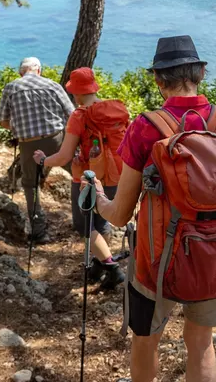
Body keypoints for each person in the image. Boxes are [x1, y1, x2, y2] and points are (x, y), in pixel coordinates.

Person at [81, 35, 216, 382]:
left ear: (158, 79)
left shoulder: (146, 127)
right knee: (200, 341)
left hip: (156, 262)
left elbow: (119, 215)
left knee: (146, 340)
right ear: (201, 73)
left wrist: (97, 196)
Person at [33, 67, 129, 289]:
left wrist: (42, 160)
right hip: (115, 175)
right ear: (93, 88)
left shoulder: (79, 116)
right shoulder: (113, 111)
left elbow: (64, 156)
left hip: (87, 179)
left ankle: (112, 268)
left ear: (75, 93)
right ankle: (98, 264)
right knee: (101, 220)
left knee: (83, 225)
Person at [0, 57, 74, 244]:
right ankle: (92, 216)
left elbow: (3, 121)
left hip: (28, 145)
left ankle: (40, 232)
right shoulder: (53, 85)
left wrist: (18, 128)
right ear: (39, 70)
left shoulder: (11, 87)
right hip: (57, 139)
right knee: (79, 173)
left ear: (20, 73)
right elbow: (72, 114)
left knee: (30, 184)